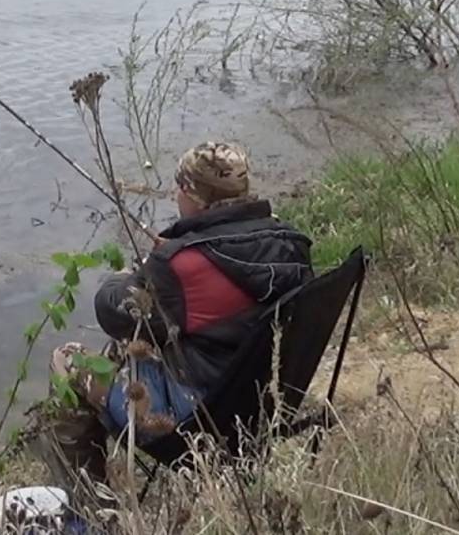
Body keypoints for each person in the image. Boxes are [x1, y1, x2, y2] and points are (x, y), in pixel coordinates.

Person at [53, 141, 314, 440]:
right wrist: (181, 249)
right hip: (268, 398)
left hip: (196, 421)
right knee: (125, 348)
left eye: (180, 186)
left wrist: (134, 272)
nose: (176, 194)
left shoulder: (181, 266)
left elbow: (112, 312)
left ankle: (82, 470)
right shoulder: (291, 243)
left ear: (193, 195)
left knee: (67, 358)